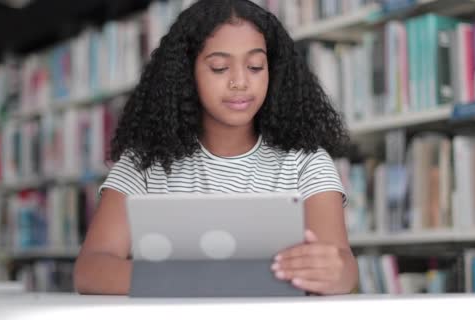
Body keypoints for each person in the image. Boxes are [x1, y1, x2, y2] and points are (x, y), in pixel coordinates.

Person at [74, 0, 358, 296]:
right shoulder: (144, 163)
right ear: (187, 75)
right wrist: (204, 281)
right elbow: (90, 270)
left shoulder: (306, 162)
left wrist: (334, 271)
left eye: (255, 66)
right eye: (220, 68)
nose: (240, 82)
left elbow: (344, 267)